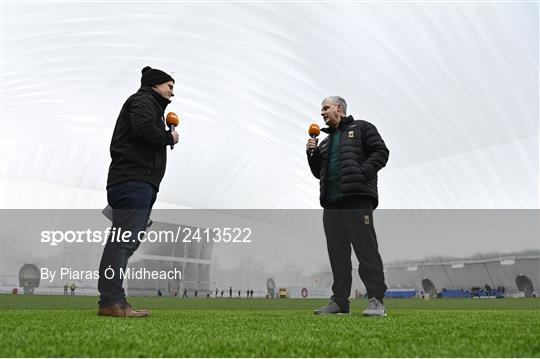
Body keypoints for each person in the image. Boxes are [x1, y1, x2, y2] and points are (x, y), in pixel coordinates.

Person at [97, 66, 179, 318]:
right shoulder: (142, 101)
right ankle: (112, 301)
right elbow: (143, 129)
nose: (172, 93)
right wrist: (169, 137)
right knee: (122, 242)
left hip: (139, 183)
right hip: (133, 182)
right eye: (169, 86)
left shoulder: (149, 105)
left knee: (126, 242)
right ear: (155, 84)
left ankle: (111, 300)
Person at [307, 96, 389, 317]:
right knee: (337, 255)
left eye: (326, 108)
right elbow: (318, 173)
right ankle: (340, 302)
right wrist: (311, 153)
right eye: (321, 110)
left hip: (357, 199)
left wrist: (362, 173)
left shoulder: (362, 128)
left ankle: (376, 300)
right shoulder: (323, 142)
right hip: (332, 204)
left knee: (366, 250)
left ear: (339, 108)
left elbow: (381, 153)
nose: (322, 113)